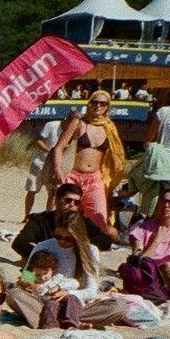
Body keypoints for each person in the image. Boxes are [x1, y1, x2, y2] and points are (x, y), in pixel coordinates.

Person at [6, 213, 116, 329]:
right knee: (13, 294)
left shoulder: (90, 251)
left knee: (117, 307)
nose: (62, 241)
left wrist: (68, 293)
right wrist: (30, 284)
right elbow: (27, 274)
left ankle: (61, 319)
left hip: (75, 305)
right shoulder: (43, 246)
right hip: (43, 302)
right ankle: (59, 320)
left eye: (68, 239)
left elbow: (91, 291)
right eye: (58, 236)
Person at [52, 91, 125, 238]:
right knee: (62, 214)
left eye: (102, 103)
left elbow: (116, 155)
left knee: (99, 219)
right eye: (94, 102)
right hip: (73, 175)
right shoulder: (79, 123)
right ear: (89, 104)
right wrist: (58, 169)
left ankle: (89, 250)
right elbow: (59, 147)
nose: (98, 106)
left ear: (107, 107)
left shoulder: (109, 128)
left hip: (95, 178)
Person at [11, 181, 113, 260]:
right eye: (68, 200)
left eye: (77, 202)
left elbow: (106, 240)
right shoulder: (40, 220)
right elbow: (18, 243)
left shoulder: (82, 222)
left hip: (71, 263)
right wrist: (43, 258)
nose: (72, 205)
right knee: (26, 278)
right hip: (44, 264)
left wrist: (78, 245)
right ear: (57, 200)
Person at [23, 119, 63, 222]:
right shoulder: (52, 125)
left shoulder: (72, 130)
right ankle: (27, 216)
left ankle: (48, 219)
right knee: (32, 189)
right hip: (40, 162)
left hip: (55, 164)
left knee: (53, 192)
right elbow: (39, 141)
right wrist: (49, 151)